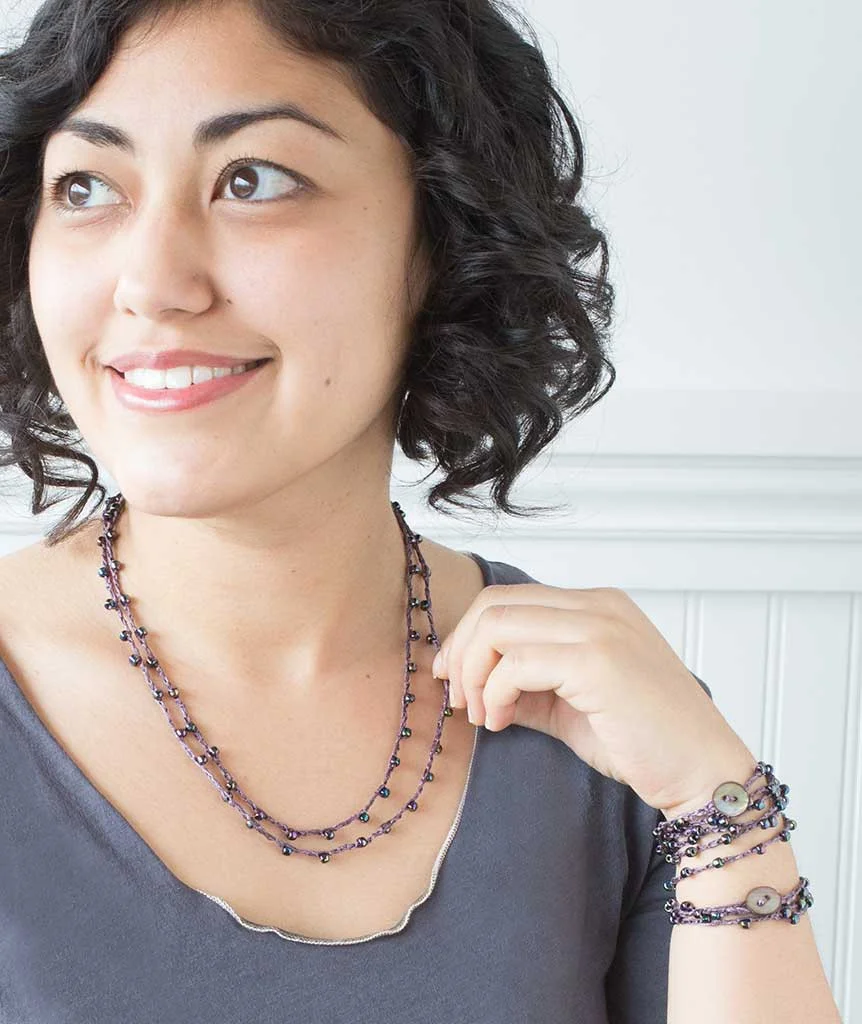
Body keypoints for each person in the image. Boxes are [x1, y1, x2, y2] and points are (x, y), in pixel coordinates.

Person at [0, 2, 840, 1023]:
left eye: (253, 180)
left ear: (442, 235)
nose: (152, 283)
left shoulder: (602, 722)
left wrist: (722, 808)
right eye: (85, 187)